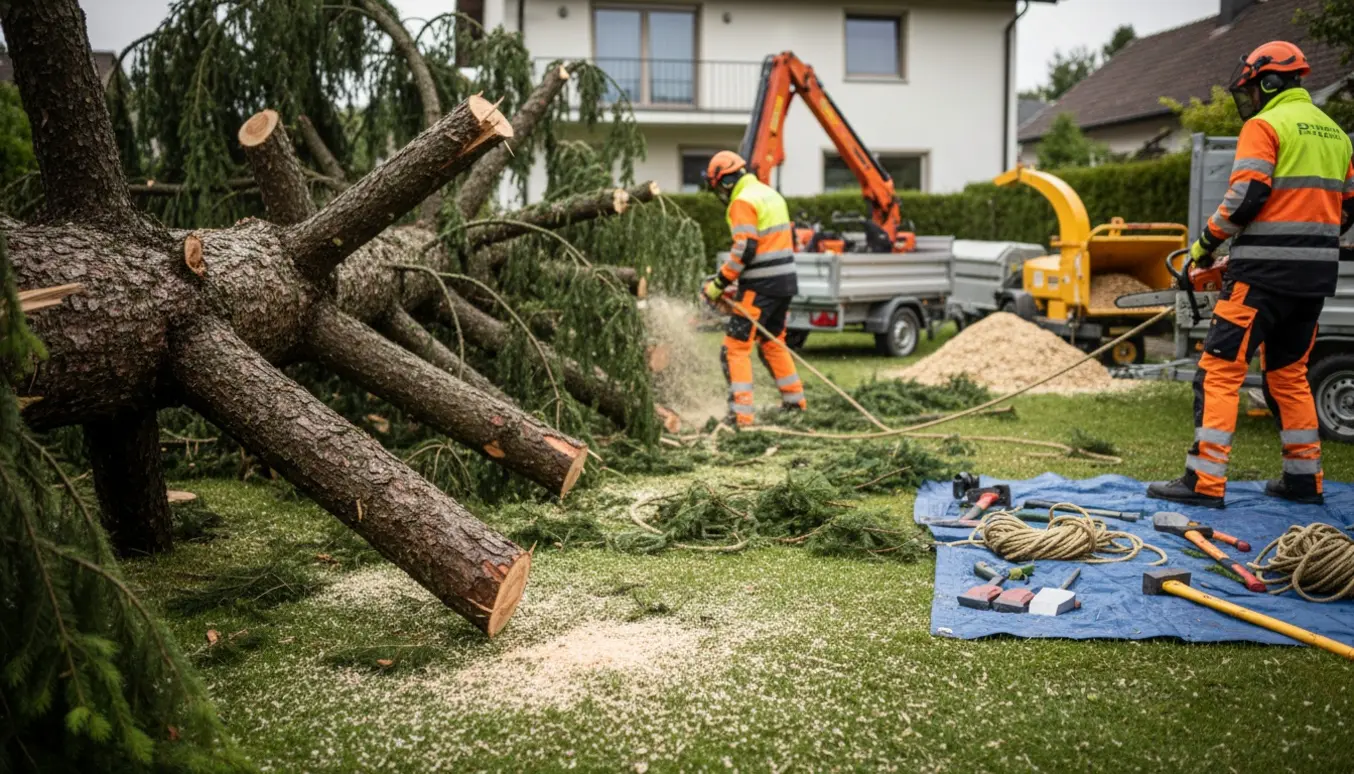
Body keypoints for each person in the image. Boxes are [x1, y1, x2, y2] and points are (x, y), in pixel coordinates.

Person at [1148, 41, 1354, 509]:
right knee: (1289, 375)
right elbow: (1348, 207)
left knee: (1219, 373)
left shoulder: (1266, 125)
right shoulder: (1337, 135)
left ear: (1268, 82)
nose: (1251, 101)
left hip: (1260, 278)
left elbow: (1246, 199)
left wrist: (1203, 248)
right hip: (1315, 281)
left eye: (1252, 90)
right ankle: (1304, 480)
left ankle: (1204, 482)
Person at [701, 151, 806, 427]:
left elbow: (745, 249)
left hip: (761, 286)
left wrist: (718, 284)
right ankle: (795, 403)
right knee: (772, 342)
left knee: (734, 347)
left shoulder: (742, 201)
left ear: (724, 181)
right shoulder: (769, 194)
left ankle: (741, 415)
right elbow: (767, 247)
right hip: (784, 283)